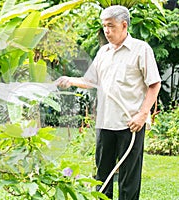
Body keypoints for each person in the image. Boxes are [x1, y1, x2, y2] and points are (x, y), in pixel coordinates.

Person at [55, 5, 161, 200]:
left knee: (128, 180)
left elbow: (154, 84)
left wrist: (142, 114)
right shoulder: (103, 52)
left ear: (124, 25)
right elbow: (90, 81)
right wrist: (69, 80)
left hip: (131, 124)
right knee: (102, 178)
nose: (106, 30)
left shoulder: (140, 49)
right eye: (104, 26)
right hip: (105, 123)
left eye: (111, 26)